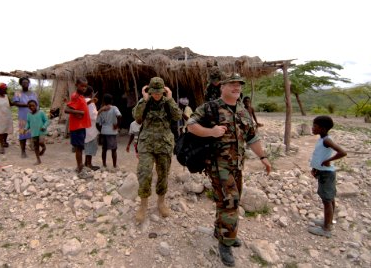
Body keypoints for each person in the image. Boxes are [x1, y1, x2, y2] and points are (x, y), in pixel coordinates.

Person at [187, 73, 271, 267]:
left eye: (239, 84)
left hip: (237, 165)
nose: (236, 87)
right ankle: (226, 243)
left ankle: (223, 230)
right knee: (230, 201)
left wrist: (264, 157)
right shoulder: (210, 108)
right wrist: (211, 132)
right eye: (232, 84)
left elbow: (252, 137)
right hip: (218, 166)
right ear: (222, 87)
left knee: (229, 200)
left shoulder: (242, 110)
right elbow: (190, 125)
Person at [132, 77, 182, 223]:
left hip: (164, 144)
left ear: (164, 91)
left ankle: (161, 202)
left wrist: (171, 98)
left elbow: (177, 116)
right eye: (154, 92)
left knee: (163, 175)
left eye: (159, 92)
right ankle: (143, 205)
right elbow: (137, 118)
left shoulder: (168, 103)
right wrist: (144, 99)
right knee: (144, 173)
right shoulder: (145, 102)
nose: (157, 95)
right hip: (146, 144)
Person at [308, 115, 347, 238]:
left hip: (327, 174)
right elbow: (320, 156)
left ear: (323, 128)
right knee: (330, 199)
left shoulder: (326, 140)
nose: (312, 128)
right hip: (323, 172)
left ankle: (326, 229)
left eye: (315, 126)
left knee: (327, 200)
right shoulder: (322, 138)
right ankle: (328, 221)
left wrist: (328, 161)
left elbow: (342, 152)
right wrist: (315, 168)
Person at [65, 77, 91, 178]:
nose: (84, 88)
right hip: (77, 127)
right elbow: (67, 110)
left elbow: (79, 106)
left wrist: (89, 102)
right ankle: (80, 169)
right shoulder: (75, 96)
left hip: (80, 126)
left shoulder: (80, 96)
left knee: (80, 147)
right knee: (79, 148)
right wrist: (79, 112)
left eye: (85, 86)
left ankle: (79, 166)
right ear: (76, 85)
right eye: (82, 86)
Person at [13, 77, 38, 158]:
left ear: (29, 83)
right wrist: (27, 105)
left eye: (27, 82)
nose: (25, 84)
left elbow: (37, 105)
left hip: (33, 115)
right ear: (21, 84)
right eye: (23, 82)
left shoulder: (33, 93)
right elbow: (15, 103)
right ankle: (23, 151)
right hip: (23, 116)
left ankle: (34, 147)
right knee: (23, 133)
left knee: (34, 132)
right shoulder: (18, 93)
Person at [97, 93, 122, 170]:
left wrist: (100, 131)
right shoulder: (114, 108)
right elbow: (119, 116)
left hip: (104, 131)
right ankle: (114, 165)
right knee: (114, 149)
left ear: (103, 101)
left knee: (104, 149)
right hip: (112, 131)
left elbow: (98, 123)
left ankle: (104, 164)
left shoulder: (101, 110)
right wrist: (117, 125)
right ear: (112, 100)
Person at [24, 100, 50, 165]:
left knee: (40, 142)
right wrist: (25, 129)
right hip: (34, 133)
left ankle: (43, 147)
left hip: (41, 131)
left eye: (33, 105)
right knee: (36, 146)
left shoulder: (41, 112)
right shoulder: (29, 114)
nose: (31, 107)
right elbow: (28, 123)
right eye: (30, 106)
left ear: (36, 105)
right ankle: (38, 160)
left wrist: (44, 126)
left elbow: (47, 121)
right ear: (28, 107)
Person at [84, 86, 100, 170]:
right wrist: (100, 111)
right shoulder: (91, 103)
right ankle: (89, 164)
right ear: (91, 93)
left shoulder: (82, 101)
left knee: (87, 145)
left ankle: (86, 163)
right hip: (90, 128)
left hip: (84, 127)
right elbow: (94, 116)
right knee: (90, 145)